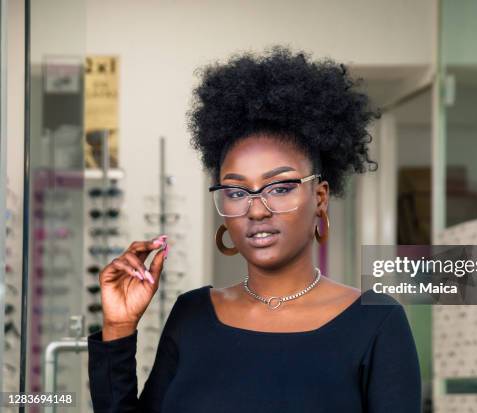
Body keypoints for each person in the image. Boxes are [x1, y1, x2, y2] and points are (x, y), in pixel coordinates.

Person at [87, 45, 421, 412]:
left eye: (279, 188)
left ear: (320, 198)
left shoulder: (375, 322)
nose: (257, 210)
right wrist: (118, 327)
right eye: (236, 191)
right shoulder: (192, 315)